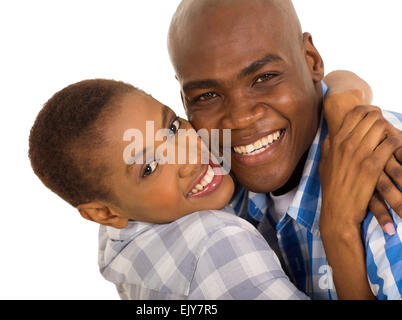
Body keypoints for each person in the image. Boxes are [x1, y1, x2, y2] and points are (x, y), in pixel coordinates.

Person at [29, 78, 394, 299]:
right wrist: (338, 227)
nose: (189, 156)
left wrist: (340, 94)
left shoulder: (121, 221)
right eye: (150, 167)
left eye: (172, 127)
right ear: (103, 213)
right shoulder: (218, 246)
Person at [167, 0, 402, 299]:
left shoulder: (389, 181)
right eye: (207, 95)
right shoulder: (207, 181)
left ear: (311, 60)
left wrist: (340, 232)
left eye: (264, 78)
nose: (240, 118)